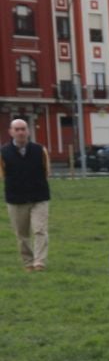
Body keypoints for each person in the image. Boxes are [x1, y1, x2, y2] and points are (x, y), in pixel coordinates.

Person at [3, 117, 51, 272]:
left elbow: (46, 171)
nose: (20, 132)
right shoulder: (3, 153)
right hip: (16, 199)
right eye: (17, 129)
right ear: (11, 132)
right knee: (22, 234)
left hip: (39, 197)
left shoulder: (40, 150)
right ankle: (28, 262)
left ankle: (39, 262)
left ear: (28, 131)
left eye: (23, 129)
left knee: (39, 230)